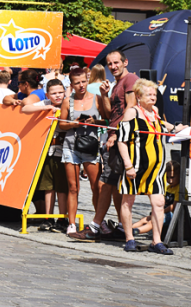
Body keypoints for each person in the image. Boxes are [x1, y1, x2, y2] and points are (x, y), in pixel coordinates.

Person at [70, 50, 136, 242]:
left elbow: (130, 110)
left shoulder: (130, 79)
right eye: (110, 64)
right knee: (112, 185)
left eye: (116, 63)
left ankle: (96, 227)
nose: (113, 66)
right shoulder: (116, 85)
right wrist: (105, 95)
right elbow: (109, 115)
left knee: (105, 183)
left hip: (120, 139)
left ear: (125, 62)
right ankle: (119, 228)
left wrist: (117, 134)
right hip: (114, 137)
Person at [116, 79, 183, 254]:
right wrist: (128, 165)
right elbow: (122, 141)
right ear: (139, 96)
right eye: (149, 94)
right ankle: (130, 238)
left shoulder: (154, 111)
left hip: (156, 168)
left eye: (155, 94)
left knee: (159, 202)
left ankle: (157, 241)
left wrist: (177, 128)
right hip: (136, 166)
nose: (153, 97)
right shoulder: (132, 113)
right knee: (128, 201)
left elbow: (162, 125)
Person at [57, 68, 107, 235]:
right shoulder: (67, 101)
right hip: (71, 145)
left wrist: (95, 121)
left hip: (91, 146)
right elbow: (61, 124)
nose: (81, 86)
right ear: (71, 85)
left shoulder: (96, 99)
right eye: (77, 83)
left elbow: (107, 119)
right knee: (73, 187)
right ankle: (71, 223)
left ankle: (98, 222)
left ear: (88, 80)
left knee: (96, 187)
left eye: (83, 81)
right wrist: (73, 124)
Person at [23, 79, 68, 232]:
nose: (57, 96)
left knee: (62, 187)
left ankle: (63, 219)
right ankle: (48, 217)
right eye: (54, 93)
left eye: (60, 92)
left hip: (64, 150)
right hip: (48, 150)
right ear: (48, 94)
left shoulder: (68, 103)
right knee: (48, 187)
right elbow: (25, 108)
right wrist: (48, 107)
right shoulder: (46, 103)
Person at [132, 161, 181, 237]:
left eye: (172, 177)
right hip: (164, 212)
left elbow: (174, 207)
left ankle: (135, 231)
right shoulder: (168, 187)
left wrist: (161, 211)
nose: (169, 180)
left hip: (173, 215)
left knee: (152, 222)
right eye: (167, 177)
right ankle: (128, 228)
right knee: (144, 219)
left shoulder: (179, 190)